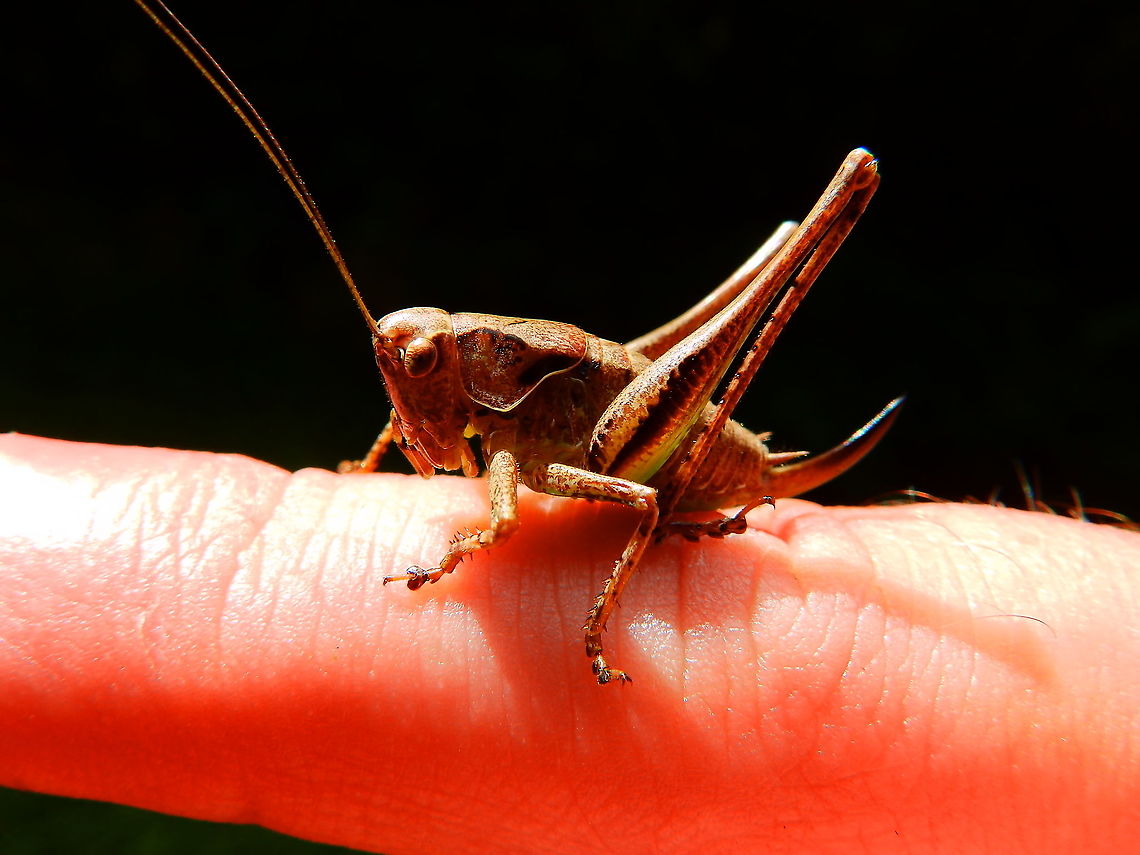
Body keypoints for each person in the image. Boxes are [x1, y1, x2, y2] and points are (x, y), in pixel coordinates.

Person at [0, 432, 1136, 854]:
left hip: (659, 451)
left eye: (427, 365)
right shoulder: (454, 402)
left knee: (634, 493)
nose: (409, 391)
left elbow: (605, 498)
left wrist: (590, 622)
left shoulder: (528, 445)